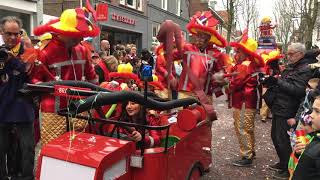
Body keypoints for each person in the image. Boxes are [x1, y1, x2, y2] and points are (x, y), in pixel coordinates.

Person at [31, 7, 99, 146]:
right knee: (53, 149)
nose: (81, 38)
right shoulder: (45, 51)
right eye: (76, 34)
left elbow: (92, 76)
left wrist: (95, 97)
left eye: (82, 34)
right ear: (64, 31)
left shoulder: (82, 50)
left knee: (79, 148)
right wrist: (45, 88)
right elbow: (35, 79)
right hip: (53, 111)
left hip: (80, 107)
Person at [157, 11, 229, 120]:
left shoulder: (216, 54)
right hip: (186, 94)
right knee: (185, 122)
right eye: (197, 35)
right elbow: (167, 57)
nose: (198, 38)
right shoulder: (187, 49)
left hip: (205, 95)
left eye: (202, 36)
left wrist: (221, 77)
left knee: (204, 124)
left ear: (208, 38)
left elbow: (223, 74)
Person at [263, 43, 313, 179]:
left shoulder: (305, 69)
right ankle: (283, 162)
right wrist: (272, 81)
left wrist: (277, 82)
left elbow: (297, 90)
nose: (288, 56)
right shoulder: (293, 67)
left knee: (282, 139)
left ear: (301, 54)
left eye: (291, 54)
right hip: (280, 106)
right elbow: (286, 82)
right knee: (276, 137)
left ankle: (287, 169)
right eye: (288, 53)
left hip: (288, 109)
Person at [0, 16, 35, 180]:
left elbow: (27, 71)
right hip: (2, 107)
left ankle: (26, 177)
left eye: (16, 33)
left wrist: (10, 60)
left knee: (27, 148)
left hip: (23, 107)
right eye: (9, 34)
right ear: (2, 32)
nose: (13, 37)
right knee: (1, 148)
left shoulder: (28, 50)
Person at [228, 32, 265, 167]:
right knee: (248, 127)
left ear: (244, 52)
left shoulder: (245, 65)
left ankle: (246, 156)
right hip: (248, 100)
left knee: (242, 127)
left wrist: (226, 86)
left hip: (243, 101)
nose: (235, 54)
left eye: (237, 51)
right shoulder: (250, 64)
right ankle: (251, 151)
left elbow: (235, 83)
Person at [290, 95, 320, 179]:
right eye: (313, 110)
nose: (311, 115)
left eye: (317, 111)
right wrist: (299, 154)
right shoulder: (316, 138)